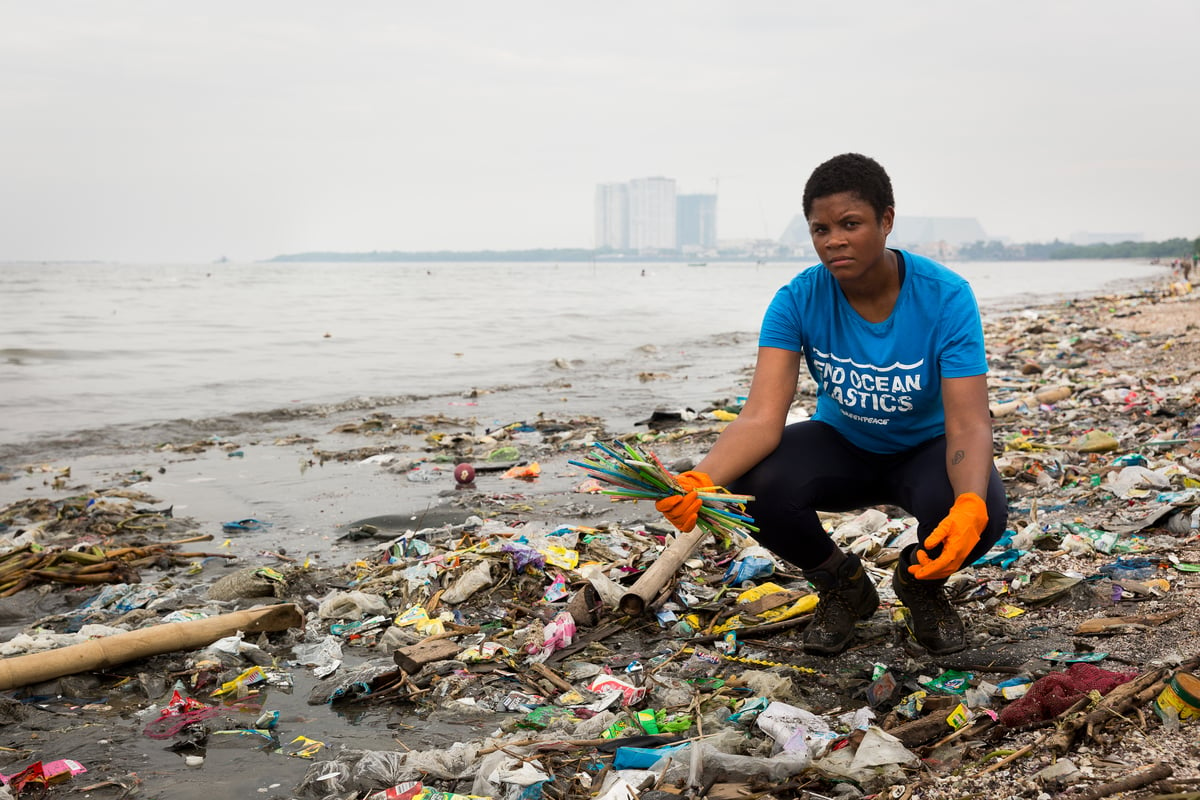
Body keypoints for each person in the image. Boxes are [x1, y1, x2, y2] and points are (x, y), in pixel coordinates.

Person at [655, 153, 1007, 656]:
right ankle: (842, 584)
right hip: (844, 444)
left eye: (850, 224)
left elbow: (970, 424)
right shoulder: (797, 300)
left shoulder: (946, 297)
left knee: (985, 511)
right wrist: (700, 480)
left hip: (926, 450)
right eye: (820, 229)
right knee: (752, 482)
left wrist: (969, 501)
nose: (834, 240)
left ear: (886, 220)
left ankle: (920, 584)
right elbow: (759, 418)